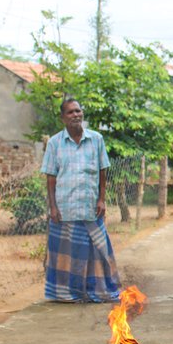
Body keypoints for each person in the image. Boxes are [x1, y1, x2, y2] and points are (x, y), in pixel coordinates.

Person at [40, 96, 121, 303]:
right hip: (65, 209)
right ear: (63, 118)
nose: (76, 115)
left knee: (99, 252)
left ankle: (100, 291)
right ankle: (66, 294)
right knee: (66, 255)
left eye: (78, 111)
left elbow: (103, 171)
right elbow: (50, 178)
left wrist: (102, 199)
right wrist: (53, 207)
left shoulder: (96, 140)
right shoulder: (55, 144)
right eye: (70, 112)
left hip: (90, 207)